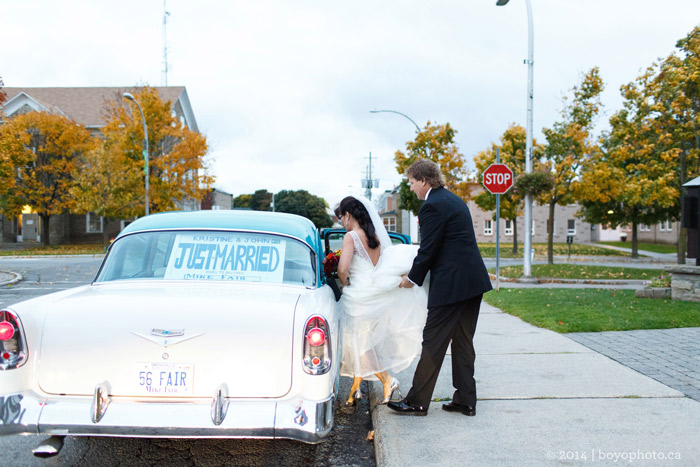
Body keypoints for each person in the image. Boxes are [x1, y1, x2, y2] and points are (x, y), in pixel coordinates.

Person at [388, 159, 492, 417]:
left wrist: (411, 278)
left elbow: (428, 249)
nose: (411, 188)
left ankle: (416, 402)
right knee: (463, 343)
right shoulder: (454, 200)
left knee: (433, 342)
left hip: (452, 286)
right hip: (472, 282)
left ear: (424, 180)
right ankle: (466, 400)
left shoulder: (432, 206)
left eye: (412, 183)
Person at [335, 195, 428, 407]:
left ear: (348, 215)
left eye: (341, 217)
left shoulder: (351, 237)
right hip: (375, 290)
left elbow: (343, 268)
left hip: (358, 293)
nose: (341, 222)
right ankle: (356, 389)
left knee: (358, 343)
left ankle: (387, 379)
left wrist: (344, 284)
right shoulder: (373, 235)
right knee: (363, 341)